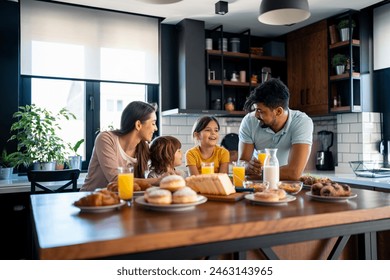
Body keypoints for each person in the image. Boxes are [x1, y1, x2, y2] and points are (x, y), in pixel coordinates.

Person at [238, 78, 313, 180]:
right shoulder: (249, 121)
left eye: (260, 110)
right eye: (255, 109)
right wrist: (247, 166)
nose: (256, 115)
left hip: (287, 184)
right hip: (257, 185)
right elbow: (242, 161)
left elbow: (294, 173)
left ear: (278, 111)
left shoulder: (301, 122)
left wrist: (259, 174)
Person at [81, 101, 160, 191]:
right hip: (90, 199)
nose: (156, 128)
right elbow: (116, 180)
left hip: (119, 201)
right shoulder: (106, 139)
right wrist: (156, 181)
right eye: (153, 123)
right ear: (138, 125)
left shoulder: (143, 147)